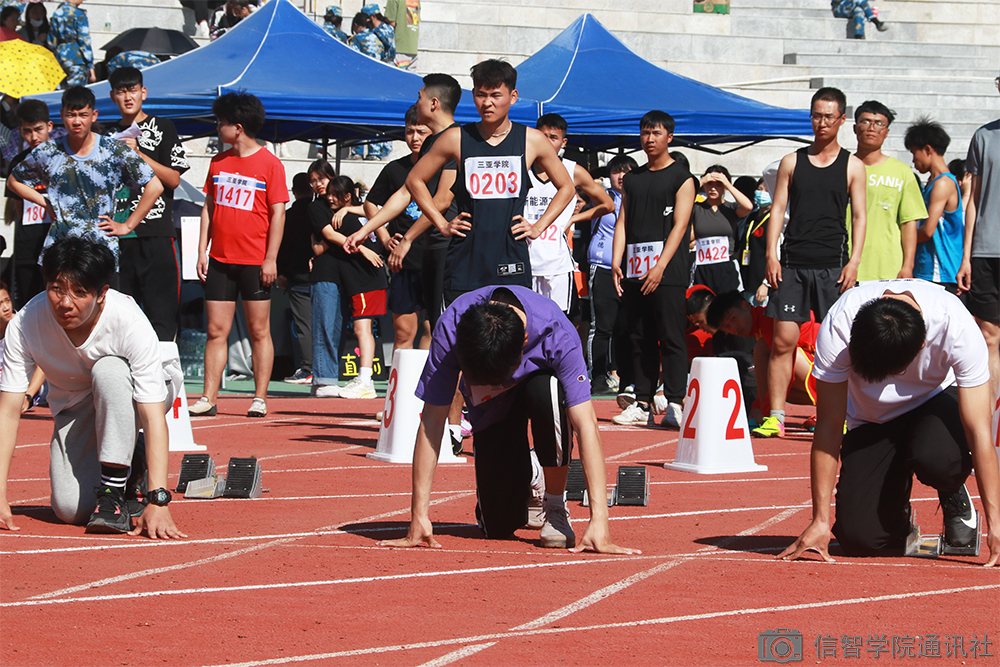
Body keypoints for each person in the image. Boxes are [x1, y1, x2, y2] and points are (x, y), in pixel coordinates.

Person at [381, 285, 639, 554]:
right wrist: (418, 515)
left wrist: (600, 519)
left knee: (547, 388)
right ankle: (532, 469)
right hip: (489, 408)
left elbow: (586, 425)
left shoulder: (557, 332)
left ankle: (554, 504)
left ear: (525, 340)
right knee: (497, 528)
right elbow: (432, 420)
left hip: (541, 395)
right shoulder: (452, 328)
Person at [778, 280, 999, 565]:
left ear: (922, 345)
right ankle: (900, 520)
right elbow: (830, 425)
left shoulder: (955, 325)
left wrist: (997, 524)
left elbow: (979, 431)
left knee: (937, 459)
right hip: (872, 418)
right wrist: (820, 520)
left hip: (936, 402)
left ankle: (952, 491)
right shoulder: (840, 324)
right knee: (860, 540)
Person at [0, 238, 187, 539]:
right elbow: (8, 411)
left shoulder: (128, 320)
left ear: (102, 294)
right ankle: (133, 459)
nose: (65, 302)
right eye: (56, 288)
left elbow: (152, 416)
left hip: (140, 392)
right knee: (70, 510)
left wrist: (158, 500)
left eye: (79, 292)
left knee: (109, 369)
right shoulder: (25, 324)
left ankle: (113, 494)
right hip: (76, 404)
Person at [404, 59, 575, 303]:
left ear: (513, 96)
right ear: (473, 94)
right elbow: (414, 180)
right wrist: (441, 224)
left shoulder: (532, 140)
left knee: (508, 335)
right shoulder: (456, 138)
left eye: (496, 95)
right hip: (465, 258)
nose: (487, 103)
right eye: (481, 95)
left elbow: (567, 188)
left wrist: (538, 227)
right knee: (463, 336)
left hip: (510, 256)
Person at [758, 87, 867, 438]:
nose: (822, 122)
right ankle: (775, 415)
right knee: (782, 341)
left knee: (838, 343)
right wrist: (771, 254)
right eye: (816, 115)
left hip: (833, 265)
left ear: (841, 120)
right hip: (792, 263)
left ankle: (841, 413)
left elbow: (860, 217)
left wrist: (854, 262)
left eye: (829, 116)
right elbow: (777, 210)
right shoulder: (792, 161)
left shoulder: (853, 165)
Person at [190, 92, 288, 419]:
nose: (218, 127)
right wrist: (202, 250)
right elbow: (208, 208)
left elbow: (278, 214)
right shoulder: (218, 162)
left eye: (222, 122)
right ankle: (208, 396)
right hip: (219, 260)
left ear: (239, 127)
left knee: (259, 330)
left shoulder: (270, 164)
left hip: (256, 262)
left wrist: (271, 258)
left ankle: (259, 397)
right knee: (216, 331)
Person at [7, 86, 163, 268]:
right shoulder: (48, 151)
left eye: (83, 115)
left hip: (100, 251)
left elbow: (155, 186)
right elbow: (13, 181)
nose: (77, 121)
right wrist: (46, 202)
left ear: (94, 115)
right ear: (62, 115)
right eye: (71, 115)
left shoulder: (112, 149)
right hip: (60, 251)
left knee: (101, 297)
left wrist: (127, 226)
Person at [610, 110, 696, 428]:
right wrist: (616, 262)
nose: (649, 138)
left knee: (671, 336)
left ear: (669, 137)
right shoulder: (632, 179)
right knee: (638, 336)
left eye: (656, 133)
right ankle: (643, 403)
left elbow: (680, 225)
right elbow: (622, 221)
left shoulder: (682, 177)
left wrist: (660, 266)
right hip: (634, 267)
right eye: (645, 132)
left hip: (667, 271)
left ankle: (675, 402)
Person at [106, 67, 190, 342]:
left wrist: (138, 154)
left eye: (132, 90)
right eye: (121, 91)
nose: (128, 97)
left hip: (157, 233)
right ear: (112, 96)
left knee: (161, 317)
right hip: (117, 235)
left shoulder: (164, 128)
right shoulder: (105, 136)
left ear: (143, 92)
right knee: (118, 318)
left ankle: (163, 379)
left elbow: (173, 179)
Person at [525, 113, 613, 314]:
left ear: (563, 142)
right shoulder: (523, 167)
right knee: (526, 322)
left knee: (556, 322)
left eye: (553, 137)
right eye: (543, 135)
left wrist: (574, 218)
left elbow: (608, 205)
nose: (547, 142)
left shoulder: (573, 170)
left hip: (557, 263)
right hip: (526, 260)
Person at [310, 176, 387, 399]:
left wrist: (347, 212)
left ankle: (365, 380)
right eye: (329, 193)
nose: (330, 198)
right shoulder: (362, 214)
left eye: (336, 194)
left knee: (363, 330)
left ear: (347, 196)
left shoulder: (344, 218)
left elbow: (320, 246)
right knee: (363, 330)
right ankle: (365, 379)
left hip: (366, 280)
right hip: (367, 280)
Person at [364, 105, 432, 352]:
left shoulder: (444, 167)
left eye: (421, 131)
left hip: (435, 258)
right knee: (404, 331)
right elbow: (371, 203)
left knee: (433, 328)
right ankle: (398, 389)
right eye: (409, 131)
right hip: (401, 262)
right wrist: (383, 237)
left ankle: (426, 389)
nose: (415, 138)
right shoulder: (394, 169)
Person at [707, 290, 819, 430]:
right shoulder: (761, 327)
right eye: (727, 327)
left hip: (834, 372)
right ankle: (829, 408)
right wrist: (758, 407)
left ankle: (833, 409)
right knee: (771, 371)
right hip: (823, 371)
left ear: (746, 305)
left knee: (773, 356)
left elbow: (784, 370)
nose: (734, 328)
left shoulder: (771, 319)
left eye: (734, 318)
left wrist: (764, 412)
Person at [958, 73, 1000, 408]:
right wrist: (966, 255)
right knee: (989, 337)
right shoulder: (983, 136)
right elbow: (972, 199)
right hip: (985, 250)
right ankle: (989, 421)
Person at [850, 100, 926, 283]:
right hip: (844, 265)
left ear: (886, 132)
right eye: (865, 121)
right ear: (855, 128)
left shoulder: (902, 172)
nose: (871, 128)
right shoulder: (841, 167)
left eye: (879, 124)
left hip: (888, 268)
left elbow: (909, 223)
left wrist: (907, 266)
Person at [587, 154, 636, 396]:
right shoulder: (601, 197)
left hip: (632, 271)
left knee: (627, 327)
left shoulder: (639, 200)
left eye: (626, 171)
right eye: (616, 171)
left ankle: (628, 379)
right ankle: (597, 378)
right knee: (602, 328)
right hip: (603, 268)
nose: (621, 176)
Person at [905, 118, 964, 294]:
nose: (914, 161)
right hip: (927, 269)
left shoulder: (943, 183)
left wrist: (900, 239)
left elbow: (928, 230)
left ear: (928, 149)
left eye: (914, 153)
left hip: (939, 272)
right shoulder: (931, 183)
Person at [4, 99, 52, 310]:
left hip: (57, 246)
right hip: (27, 249)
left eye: (38, 129)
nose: (34, 137)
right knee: (28, 309)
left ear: (49, 126)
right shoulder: (17, 164)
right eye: (27, 131)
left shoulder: (65, 159)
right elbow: (18, 208)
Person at [690, 164, 752, 295]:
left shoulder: (731, 208)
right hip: (703, 266)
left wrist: (728, 185)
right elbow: (679, 199)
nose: (713, 188)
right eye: (710, 184)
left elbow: (748, 207)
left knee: (727, 306)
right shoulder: (696, 208)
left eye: (718, 184)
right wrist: (701, 181)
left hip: (726, 265)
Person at [276, 172, 314, 385]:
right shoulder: (321, 210)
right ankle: (324, 368)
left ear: (293, 189)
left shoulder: (289, 216)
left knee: (304, 325)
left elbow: (283, 245)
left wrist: (281, 271)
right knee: (324, 324)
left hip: (298, 276)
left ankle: (308, 368)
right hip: (322, 275)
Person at [735, 179, 772, 305]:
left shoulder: (775, 220)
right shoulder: (751, 216)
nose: (762, 193)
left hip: (763, 284)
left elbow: (777, 254)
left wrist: (766, 283)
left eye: (767, 190)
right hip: (747, 281)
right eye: (760, 189)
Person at [47, 0, 95, 86]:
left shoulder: (57, 13)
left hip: (59, 55)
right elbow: (84, 40)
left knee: (61, 90)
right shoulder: (78, 14)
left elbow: (51, 41)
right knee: (76, 92)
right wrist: (90, 64)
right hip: (75, 56)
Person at [384, 0, 418, 69]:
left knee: (394, 77)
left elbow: (391, 22)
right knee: (409, 78)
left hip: (398, 47)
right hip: (412, 47)